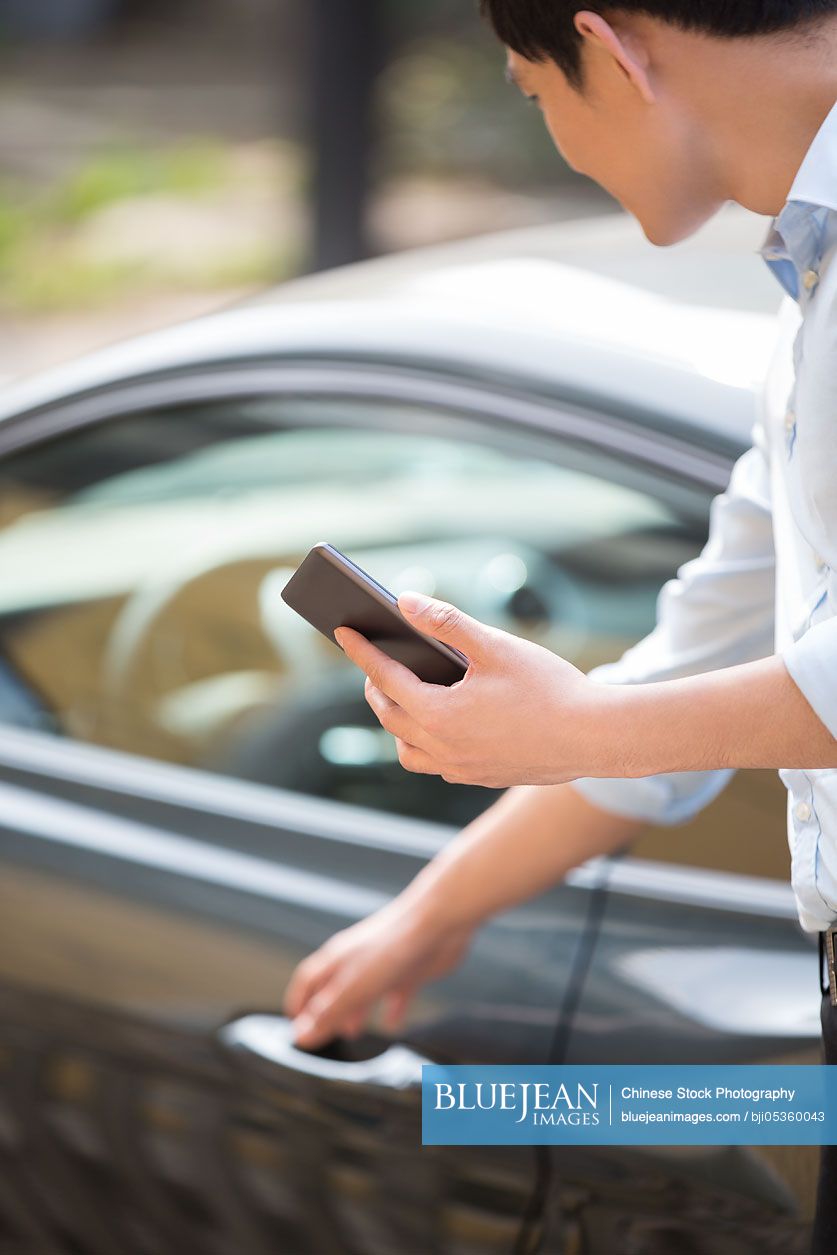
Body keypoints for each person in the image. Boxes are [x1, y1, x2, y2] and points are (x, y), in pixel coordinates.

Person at [283, 4, 837, 1248]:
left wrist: (582, 724)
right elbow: (699, 669)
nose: (558, 141)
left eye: (537, 91)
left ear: (616, 49)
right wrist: (433, 910)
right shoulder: (811, 296)